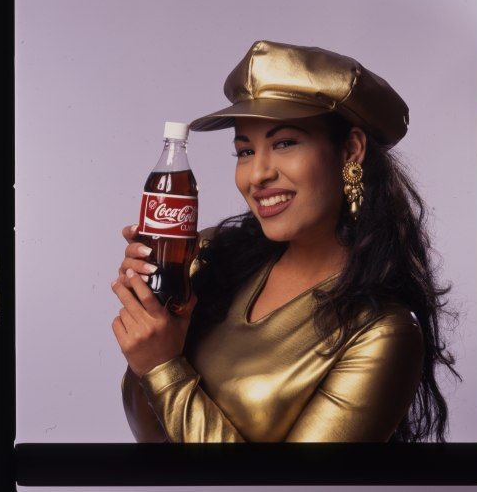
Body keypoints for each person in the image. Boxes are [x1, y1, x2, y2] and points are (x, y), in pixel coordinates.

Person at [111, 40, 458, 443]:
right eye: (244, 151)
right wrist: (153, 311)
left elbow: (289, 489)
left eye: (284, 143)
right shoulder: (209, 259)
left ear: (351, 149)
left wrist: (163, 368)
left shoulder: (382, 332)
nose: (257, 174)